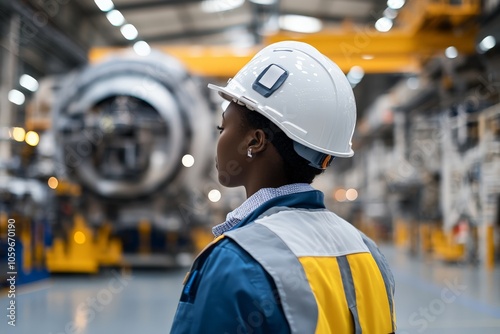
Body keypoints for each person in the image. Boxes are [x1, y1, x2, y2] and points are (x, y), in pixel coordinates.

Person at [170, 41, 396, 334]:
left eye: (222, 128)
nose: (219, 139)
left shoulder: (234, 261)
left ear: (255, 141)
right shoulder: (367, 252)